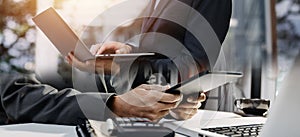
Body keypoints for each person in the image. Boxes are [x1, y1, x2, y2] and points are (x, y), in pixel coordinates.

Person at [67, 0, 232, 120]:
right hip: (156, 109)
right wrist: (129, 50)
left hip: (191, 113)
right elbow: (160, 44)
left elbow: (193, 66)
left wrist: (120, 66)